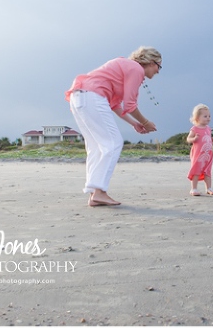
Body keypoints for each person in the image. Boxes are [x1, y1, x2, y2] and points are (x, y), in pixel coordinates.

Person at [65, 46, 161, 207]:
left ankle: (94, 193)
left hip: (79, 97)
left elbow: (115, 104)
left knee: (96, 147)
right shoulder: (135, 68)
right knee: (113, 143)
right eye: (159, 66)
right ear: (151, 62)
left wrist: (134, 124)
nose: (158, 71)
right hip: (92, 97)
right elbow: (130, 104)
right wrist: (145, 122)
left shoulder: (124, 67)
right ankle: (99, 192)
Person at [186, 104, 213, 196]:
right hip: (198, 155)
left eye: (209, 116)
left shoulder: (208, 129)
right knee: (196, 171)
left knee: (207, 172)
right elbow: (188, 139)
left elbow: (208, 141)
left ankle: (209, 188)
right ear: (197, 118)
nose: (208, 118)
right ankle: (193, 189)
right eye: (205, 116)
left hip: (208, 155)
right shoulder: (195, 129)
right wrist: (194, 139)